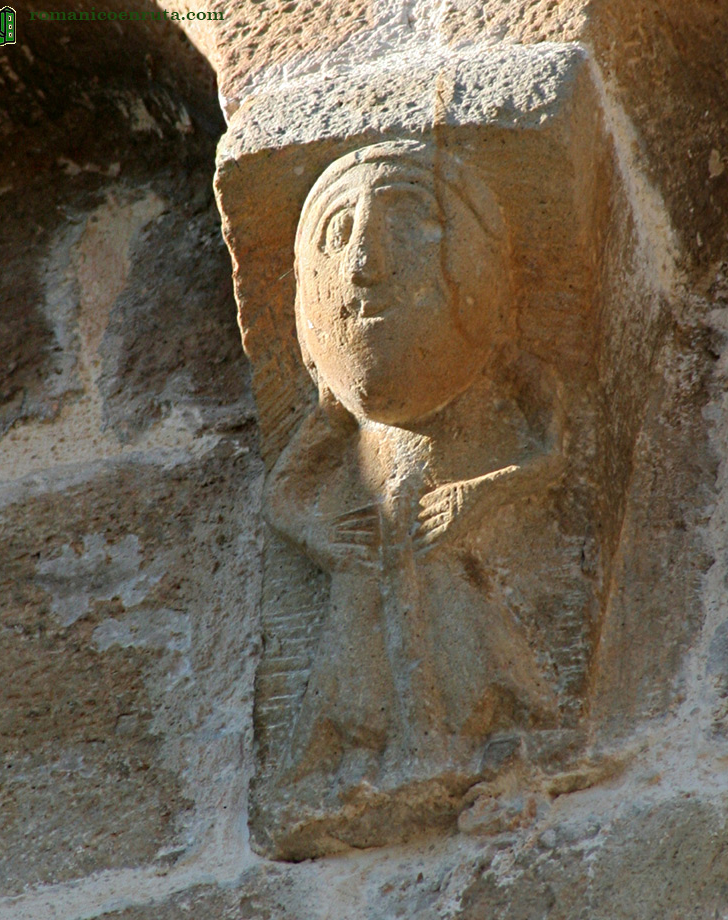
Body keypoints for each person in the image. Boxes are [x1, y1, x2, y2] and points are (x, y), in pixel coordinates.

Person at [263, 140, 564, 806]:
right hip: (365, 567)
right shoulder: (336, 410)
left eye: (405, 220)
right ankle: (349, 764)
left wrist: (476, 497)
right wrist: (320, 540)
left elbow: (551, 451)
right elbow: (280, 494)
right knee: (352, 663)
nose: (367, 262)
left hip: (440, 548)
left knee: (470, 643)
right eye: (338, 235)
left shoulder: (501, 369)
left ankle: (489, 740)